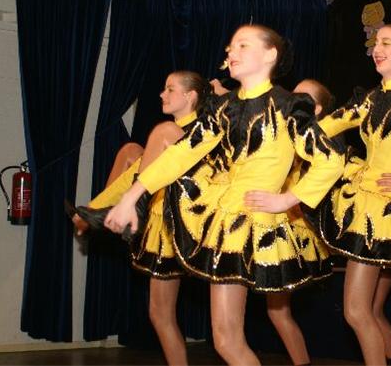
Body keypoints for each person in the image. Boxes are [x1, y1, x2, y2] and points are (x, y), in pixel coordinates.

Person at [104, 24, 345, 366]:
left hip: (257, 224)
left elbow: (330, 159)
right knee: (225, 340)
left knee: (229, 340)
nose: (231, 52)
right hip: (226, 220)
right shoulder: (224, 107)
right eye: (231, 46)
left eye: (243, 45)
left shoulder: (289, 106)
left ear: (270, 55)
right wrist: (133, 195)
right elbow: (182, 152)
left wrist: (288, 199)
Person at [253, 23, 391, 365]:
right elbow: (328, 126)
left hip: (382, 212)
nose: (377, 49)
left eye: (386, 43)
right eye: (375, 43)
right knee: (363, 311)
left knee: (357, 311)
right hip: (363, 202)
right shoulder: (370, 99)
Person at [70, 70, 212, 366]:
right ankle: (109, 211)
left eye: (170, 89)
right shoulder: (173, 134)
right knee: (131, 150)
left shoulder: (187, 133)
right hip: (164, 223)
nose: (162, 94)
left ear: (190, 96)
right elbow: (136, 175)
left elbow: (144, 179)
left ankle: (126, 209)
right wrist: (92, 209)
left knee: (168, 316)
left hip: (182, 225)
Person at [263, 78, 336, 366]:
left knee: (278, 311)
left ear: (316, 109)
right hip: (265, 220)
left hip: (289, 228)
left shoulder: (314, 137)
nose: (292, 100)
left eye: (301, 97)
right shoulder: (285, 129)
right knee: (276, 312)